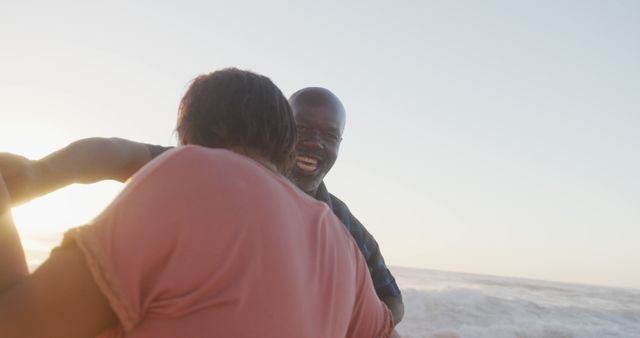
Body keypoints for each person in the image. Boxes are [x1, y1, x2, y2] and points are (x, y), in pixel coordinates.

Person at [0, 68, 395, 337]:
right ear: (284, 140)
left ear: (189, 138)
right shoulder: (342, 244)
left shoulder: (191, 170)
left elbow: (19, 327)